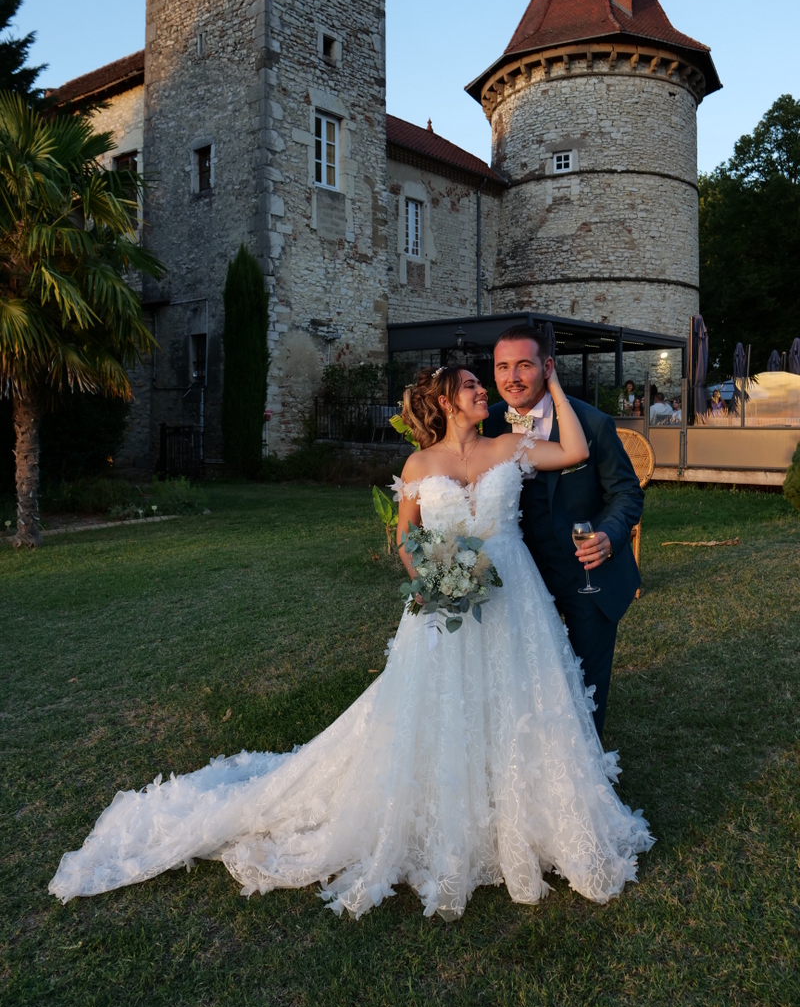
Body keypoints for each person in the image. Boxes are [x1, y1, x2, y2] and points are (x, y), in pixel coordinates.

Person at [49, 364, 653, 921]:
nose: (483, 392)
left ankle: (527, 815)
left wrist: (550, 383)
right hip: (447, 600)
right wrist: (436, 580)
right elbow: (407, 542)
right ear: (447, 401)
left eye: (480, 384)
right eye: (471, 385)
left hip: (514, 596)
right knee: (444, 707)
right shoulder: (418, 468)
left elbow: (573, 449)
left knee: (522, 700)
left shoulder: (507, 447)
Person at [484, 325, 644, 736]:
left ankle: (589, 780)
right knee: (527, 680)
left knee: (587, 683)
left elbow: (626, 493)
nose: (512, 377)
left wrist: (610, 534)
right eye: (503, 366)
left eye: (524, 364)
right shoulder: (486, 428)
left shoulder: (591, 423)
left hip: (586, 575)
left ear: (548, 367)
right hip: (519, 578)